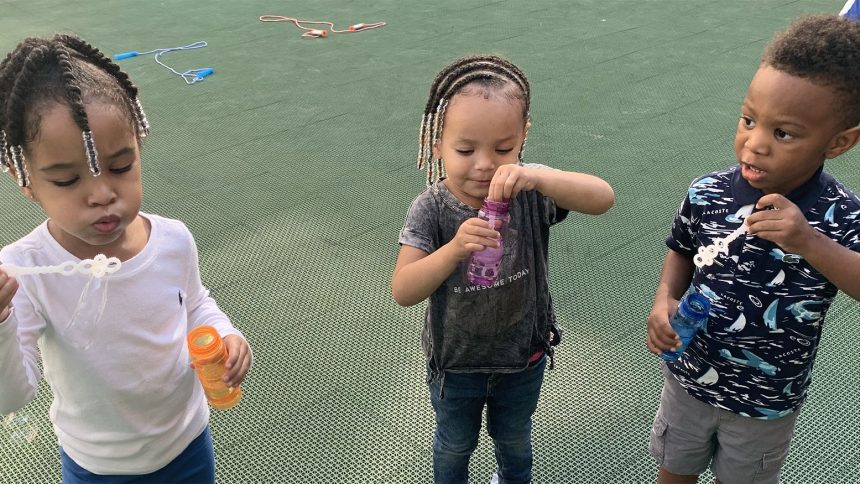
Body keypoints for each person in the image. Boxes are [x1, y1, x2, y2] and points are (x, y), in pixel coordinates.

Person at [0, 34, 252, 483]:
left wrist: (223, 332)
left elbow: (194, 303)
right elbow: (11, 396)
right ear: (26, 181)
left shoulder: (173, 238)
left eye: (120, 167)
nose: (101, 194)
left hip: (188, 445)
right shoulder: (24, 271)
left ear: (138, 145)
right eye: (66, 179)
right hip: (98, 467)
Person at [646, 15, 860, 484]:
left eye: (783, 134)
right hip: (690, 378)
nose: (755, 144)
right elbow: (682, 251)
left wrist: (808, 240)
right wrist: (665, 299)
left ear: (839, 142)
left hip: (766, 401)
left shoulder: (841, 214)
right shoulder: (707, 193)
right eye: (749, 120)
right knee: (673, 472)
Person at [392, 54, 614, 484]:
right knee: (454, 445)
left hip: (522, 358)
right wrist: (454, 248)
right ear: (438, 143)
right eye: (464, 149)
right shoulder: (431, 210)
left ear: (523, 137)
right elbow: (403, 289)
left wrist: (538, 176)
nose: (484, 164)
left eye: (503, 148)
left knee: (514, 440)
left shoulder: (530, 190)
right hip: (457, 364)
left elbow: (602, 198)